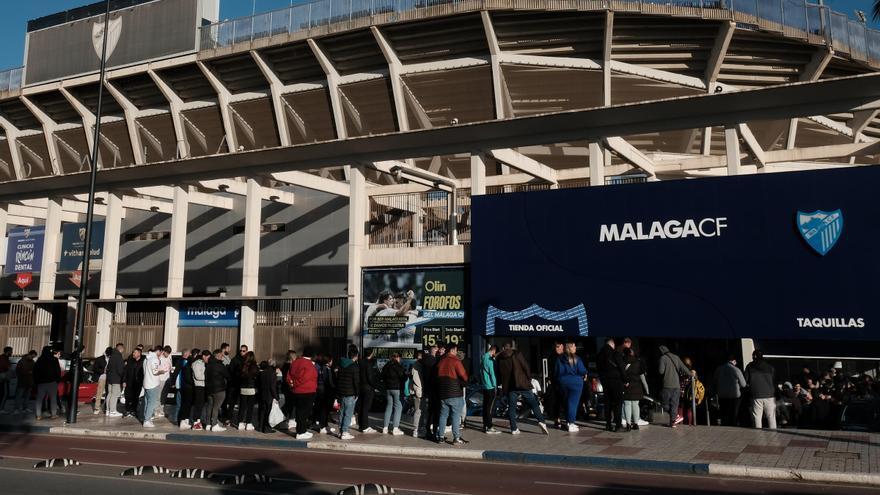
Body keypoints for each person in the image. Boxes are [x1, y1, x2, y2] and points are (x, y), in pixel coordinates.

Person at [496, 341, 549, 436]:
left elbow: (499, 373)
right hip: (522, 384)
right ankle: (541, 421)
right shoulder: (517, 354)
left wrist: (501, 383)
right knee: (534, 403)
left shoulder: (499, 358)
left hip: (510, 386)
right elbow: (526, 366)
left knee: (511, 407)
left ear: (503, 348)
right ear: (511, 347)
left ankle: (514, 428)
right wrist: (528, 379)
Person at [435, 343, 468, 444]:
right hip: (455, 393)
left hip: (443, 393)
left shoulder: (441, 362)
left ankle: (440, 437)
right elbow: (464, 376)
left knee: (443, 415)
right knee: (455, 415)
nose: (456, 352)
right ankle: (456, 438)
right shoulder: (456, 361)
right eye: (456, 350)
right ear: (453, 350)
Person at [288, 347, 318, 440]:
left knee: (299, 412)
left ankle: (302, 430)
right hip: (307, 391)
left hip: (296, 391)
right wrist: (296, 383)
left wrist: (292, 383)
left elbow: (289, 374)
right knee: (304, 413)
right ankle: (301, 432)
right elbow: (305, 378)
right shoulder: (309, 364)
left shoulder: (296, 362)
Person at [557, 341, 587, 432]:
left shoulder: (560, 359)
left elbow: (557, 371)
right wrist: (585, 374)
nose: (575, 348)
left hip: (563, 382)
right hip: (576, 383)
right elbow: (582, 370)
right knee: (573, 403)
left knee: (567, 402)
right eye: (574, 346)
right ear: (570, 348)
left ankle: (568, 422)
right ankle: (571, 423)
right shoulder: (577, 358)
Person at [658, 345, 691, 428]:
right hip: (676, 385)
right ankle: (673, 421)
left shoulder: (663, 358)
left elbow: (661, 371)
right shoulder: (676, 357)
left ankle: (674, 418)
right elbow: (683, 368)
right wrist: (691, 374)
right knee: (674, 404)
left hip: (667, 385)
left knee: (664, 404)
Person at [597, 338, 625, 432]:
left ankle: (608, 424)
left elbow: (599, 369)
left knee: (607, 403)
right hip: (616, 381)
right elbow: (621, 367)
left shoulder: (600, 354)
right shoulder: (615, 353)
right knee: (618, 403)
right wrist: (625, 380)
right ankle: (618, 425)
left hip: (605, 381)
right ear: (612, 344)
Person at [745, 350, 776, 429]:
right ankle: (773, 434)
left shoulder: (750, 367)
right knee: (771, 416)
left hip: (756, 395)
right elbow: (774, 380)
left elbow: (745, 380)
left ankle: (758, 434)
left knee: (757, 416)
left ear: (754, 356)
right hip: (770, 395)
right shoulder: (770, 367)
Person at [713, 355, 747, 427]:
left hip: (722, 396)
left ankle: (724, 430)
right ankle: (733, 431)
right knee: (733, 415)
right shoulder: (736, 370)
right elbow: (744, 384)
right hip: (734, 397)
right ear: (733, 361)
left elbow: (715, 382)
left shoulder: (718, 369)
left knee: (724, 415)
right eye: (735, 362)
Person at [335, 348, 360, 440]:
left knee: (342, 412)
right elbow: (356, 381)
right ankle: (345, 432)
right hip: (350, 393)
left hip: (342, 392)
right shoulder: (354, 366)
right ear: (356, 356)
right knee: (348, 413)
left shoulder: (341, 364)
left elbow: (337, 379)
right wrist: (357, 393)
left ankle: (341, 431)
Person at [205, 349, 230, 432]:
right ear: (218, 356)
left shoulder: (208, 365)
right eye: (222, 355)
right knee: (216, 407)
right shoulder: (219, 365)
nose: (222, 357)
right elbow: (227, 375)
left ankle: (208, 424)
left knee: (210, 406)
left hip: (209, 389)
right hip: (219, 389)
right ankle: (214, 424)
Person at [381, 352, 406, 435]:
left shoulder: (386, 366)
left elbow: (382, 376)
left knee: (388, 407)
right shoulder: (399, 366)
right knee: (398, 407)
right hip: (397, 389)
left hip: (388, 389)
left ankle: (385, 428)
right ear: (398, 358)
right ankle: (395, 428)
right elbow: (403, 377)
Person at [33, 346, 60, 420]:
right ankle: (53, 414)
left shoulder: (39, 360)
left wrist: (36, 381)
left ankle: (38, 415)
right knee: (53, 398)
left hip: (41, 383)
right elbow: (57, 371)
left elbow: (35, 371)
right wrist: (57, 380)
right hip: (52, 382)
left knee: (39, 399)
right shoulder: (54, 360)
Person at [621, 347, 645, 432]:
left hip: (627, 385)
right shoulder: (638, 362)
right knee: (635, 404)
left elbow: (621, 373)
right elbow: (642, 374)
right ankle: (636, 424)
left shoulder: (622, 361)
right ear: (632, 353)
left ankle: (628, 424)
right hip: (637, 386)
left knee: (627, 404)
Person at [141, 345, 164, 427]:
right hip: (153, 383)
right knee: (152, 403)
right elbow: (155, 372)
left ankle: (147, 418)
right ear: (159, 351)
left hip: (147, 383)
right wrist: (162, 371)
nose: (161, 354)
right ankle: (147, 420)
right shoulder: (154, 359)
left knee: (147, 402)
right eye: (161, 353)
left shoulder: (147, 358)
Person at [357, 348, 379, 433]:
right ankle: (365, 427)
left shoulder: (360, 362)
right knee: (366, 408)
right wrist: (375, 386)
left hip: (361, 387)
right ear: (371, 354)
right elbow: (370, 377)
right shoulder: (369, 363)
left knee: (361, 407)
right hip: (368, 388)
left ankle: (361, 425)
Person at [225, 344, 248, 424]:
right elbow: (230, 371)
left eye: (243, 351)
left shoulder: (247, 360)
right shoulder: (235, 359)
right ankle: (228, 418)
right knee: (232, 402)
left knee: (242, 403)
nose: (242, 352)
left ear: (246, 351)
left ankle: (240, 420)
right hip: (234, 384)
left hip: (243, 384)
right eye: (241, 350)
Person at [544, 341, 565, 429]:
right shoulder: (553, 357)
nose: (557, 348)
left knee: (560, 402)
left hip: (561, 382)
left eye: (558, 347)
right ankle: (557, 419)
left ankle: (560, 419)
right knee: (556, 402)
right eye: (556, 347)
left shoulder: (564, 356)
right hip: (556, 383)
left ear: (562, 346)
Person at [480, 345, 500, 434]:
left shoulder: (483, 357)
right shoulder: (489, 360)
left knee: (485, 407)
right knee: (490, 408)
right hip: (490, 386)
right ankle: (489, 427)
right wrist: (495, 386)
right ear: (494, 351)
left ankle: (485, 425)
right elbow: (492, 374)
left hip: (485, 385)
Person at [237, 351, 258, 431]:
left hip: (243, 388)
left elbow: (239, 377)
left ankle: (240, 423)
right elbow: (256, 377)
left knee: (242, 406)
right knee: (250, 407)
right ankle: (248, 423)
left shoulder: (242, 365)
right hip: (251, 389)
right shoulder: (254, 366)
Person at [315, 354, 336, 434]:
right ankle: (322, 426)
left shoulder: (321, 368)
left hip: (321, 390)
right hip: (325, 391)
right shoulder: (327, 369)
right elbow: (329, 382)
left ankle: (325, 425)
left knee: (325, 409)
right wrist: (334, 388)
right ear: (329, 361)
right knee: (324, 409)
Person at [190, 350, 211, 430]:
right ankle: (195, 422)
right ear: (203, 356)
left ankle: (199, 421)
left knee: (202, 405)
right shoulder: (196, 364)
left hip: (203, 386)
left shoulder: (203, 364)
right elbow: (198, 376)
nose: (208, 360)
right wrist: (208, 377)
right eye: (207, 358)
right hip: (198, 387)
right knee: (198, 405)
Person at [421, 344, 438, 439]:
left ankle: (428, 430)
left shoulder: (424, 360)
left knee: (430, 411)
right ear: (434, 350)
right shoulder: (434, 361)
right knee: (435, 412)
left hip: (427, 388)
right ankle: (434, 432)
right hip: (434, 389)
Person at [257, 360, 279, 434]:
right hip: (269, 395)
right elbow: (272, 387)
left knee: (263, 411)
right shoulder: (272, 373)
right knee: (268, 412)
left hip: (263, 394)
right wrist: (276, 397)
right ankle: (266, 428)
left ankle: (260, 426)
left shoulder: (262, 373)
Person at [177, 348, 196, 429]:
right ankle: (182, 420)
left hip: (183, 385)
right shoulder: (184, 362)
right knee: (184, 404)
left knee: (184, 404)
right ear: (186, 354)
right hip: (185, 385)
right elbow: (180, 374)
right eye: (189, 353)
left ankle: (185, 420)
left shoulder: (183, 361)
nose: (190, 355)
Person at [122, 348, 144, 419]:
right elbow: (125, 372)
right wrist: (124, 381)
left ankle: (133, 411)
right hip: (129, 382)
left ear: (139, 353)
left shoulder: (143, 362)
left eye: (135, 352)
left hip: (138, 382)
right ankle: (127, 410)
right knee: (128, 396)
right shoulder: (130, 361)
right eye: (133, 352)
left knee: (136, 397)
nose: (133, 354)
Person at [410, 351, 427, 438]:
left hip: (420, 392)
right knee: (418, 411)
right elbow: (416, 381)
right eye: (421, 356)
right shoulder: (416, 366)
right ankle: (416, 429)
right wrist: (419, 392)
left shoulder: (418, 365)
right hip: (419, 392)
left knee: (421, 411)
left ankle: (419, 428)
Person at [105, 343, 125, 417]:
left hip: (110, 378)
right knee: (115, 395)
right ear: (121, 349)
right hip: (116, 379)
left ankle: (108, 410)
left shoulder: (112, 356)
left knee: (109, 394)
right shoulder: (118, 356)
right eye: (123, 349)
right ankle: (113, 411)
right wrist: (123, 378)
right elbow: (120, 369)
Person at [13, 350, 36, 414]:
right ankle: (16, 409)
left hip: (29, 381)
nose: (32, 358)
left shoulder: (33, 362)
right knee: (19, 395)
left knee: (27, 396)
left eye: (33, 357)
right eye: (32, 356)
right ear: (29, 354)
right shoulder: (21, 361)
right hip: (22, 381)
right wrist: (28, 372)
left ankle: (25, 408)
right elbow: (18, 371)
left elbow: (34, 370)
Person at [90, 348, 110, 415]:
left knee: (108, 393)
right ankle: (97, 407)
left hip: (109, 378)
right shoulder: (100, 358)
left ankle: (106, 408)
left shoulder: (111, 358)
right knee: (99, 393)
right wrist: (103, 371)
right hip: (101, 377)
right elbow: (94, 368)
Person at [280, 350, 298, 419]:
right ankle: (284, 417)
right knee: (290, 403)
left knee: (288, 403)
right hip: (289, 386)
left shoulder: (284, 365)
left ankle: (286, 417)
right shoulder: (290, 365)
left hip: (285, 386)